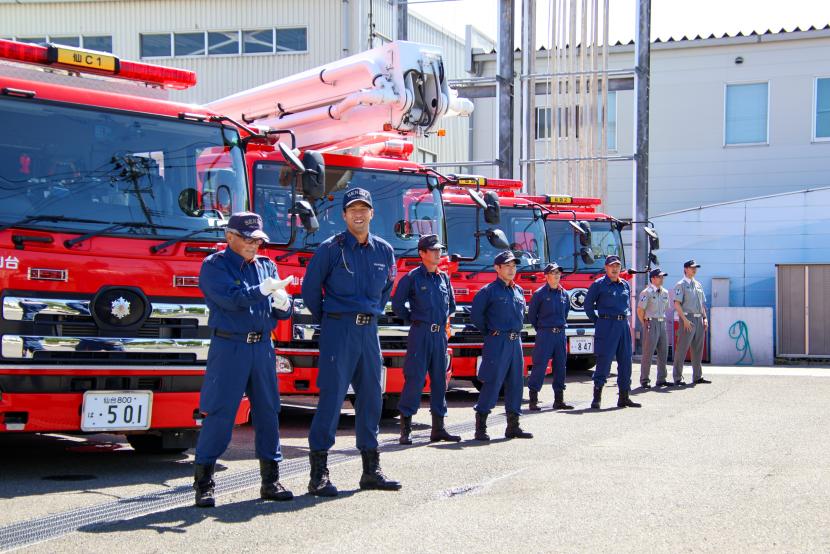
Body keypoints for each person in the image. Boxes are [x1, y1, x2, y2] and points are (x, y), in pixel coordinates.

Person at [301, 187, 401, 496]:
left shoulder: (384, 250)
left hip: (368, 332)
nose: (359, 213)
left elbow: (387, 289)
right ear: (344, 215)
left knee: (371, 398)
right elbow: (310, 291)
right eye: (352, 209)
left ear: (372, 213)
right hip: (338, 330)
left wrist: (368, 312)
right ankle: (318, 474)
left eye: (364, 208)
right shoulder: (331, 249)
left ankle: (371, 471)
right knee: (332, 400)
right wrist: (332, 318)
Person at [192, 211, 294, 508]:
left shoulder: (266, 265)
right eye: (248, 239)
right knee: (220, 413)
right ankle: (204, 482)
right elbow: (233, 299)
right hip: (230, 346)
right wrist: (264, 290)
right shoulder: (215, 266)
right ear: (230, 237)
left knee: (268, 412)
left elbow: (280, 311)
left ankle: (271, 479)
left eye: (258, 240)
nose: (253, 245)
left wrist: (284, 304)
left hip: (261, 347)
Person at [392, 234, 460, 445]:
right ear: (422, 253)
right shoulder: (412, 278)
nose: (438, 253)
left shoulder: (443, 278)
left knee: (440, 381)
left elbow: (452, 306)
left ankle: (438, 428)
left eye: (439, 249)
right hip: (420, 334)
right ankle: (406, 428)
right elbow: (397, 305)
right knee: (415, 379)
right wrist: (414, 318)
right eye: (433, 250)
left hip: (439, 335)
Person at [471, 250, 533, 441]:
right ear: (497, 268)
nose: (511, 269)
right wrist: (492, 331)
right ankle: (481, 426)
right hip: (497, 341)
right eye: (507, 266)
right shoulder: (488, 291)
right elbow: (476, 317)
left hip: (516, 342)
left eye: (513, 266)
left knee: (516, 383)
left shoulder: (518, 291)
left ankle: (513, 426)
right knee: (493, 381)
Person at [583, 255, 641, 409]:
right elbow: (588, 306)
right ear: (606, 268)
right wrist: (599, 322)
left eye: (617, 266)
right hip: (607, 325)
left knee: (626, 362)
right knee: (604, 361)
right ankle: (597, 397)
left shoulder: (625, 285)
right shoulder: (598, 285)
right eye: (612, 266)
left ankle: (624, 397)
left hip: (623, 325)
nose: (615, 269)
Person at [527, 262, 572, 411]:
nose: (557, 275)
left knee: (560, 366)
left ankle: (559, 400)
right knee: (540, 365)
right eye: (553, 273)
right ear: (546, 276)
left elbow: (565, 313)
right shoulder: (540, 294)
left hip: (560, 334)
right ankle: (533, 399)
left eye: (558, 272)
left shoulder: (564, 294)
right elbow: (532, 316)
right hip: (545, 334)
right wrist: (542, 329)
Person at [672, 259, 710, 385]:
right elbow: (677, 304)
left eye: (696, 268)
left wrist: (705, 318)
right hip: (687, 318)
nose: (694, 270)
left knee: (698, 349)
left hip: (699, 319)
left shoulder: (698, 284)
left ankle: (697, 376)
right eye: (692, 267)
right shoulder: (681, 284)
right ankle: (677, 377)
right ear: (686, 269)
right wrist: (684, 320)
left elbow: (702, 304)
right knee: (682, 349)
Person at [637, 268, 671, 388]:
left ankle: (661, 379)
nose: (662, 279)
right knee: (648, 353)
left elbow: (666, 308)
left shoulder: (665, 292)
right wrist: (644, 323)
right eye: (659, 277)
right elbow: (640, 310)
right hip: (651, 323)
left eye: (662, 277)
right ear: (653, 278)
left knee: (663, 352)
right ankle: (644, 379)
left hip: (662, 323)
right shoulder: (647, 292)